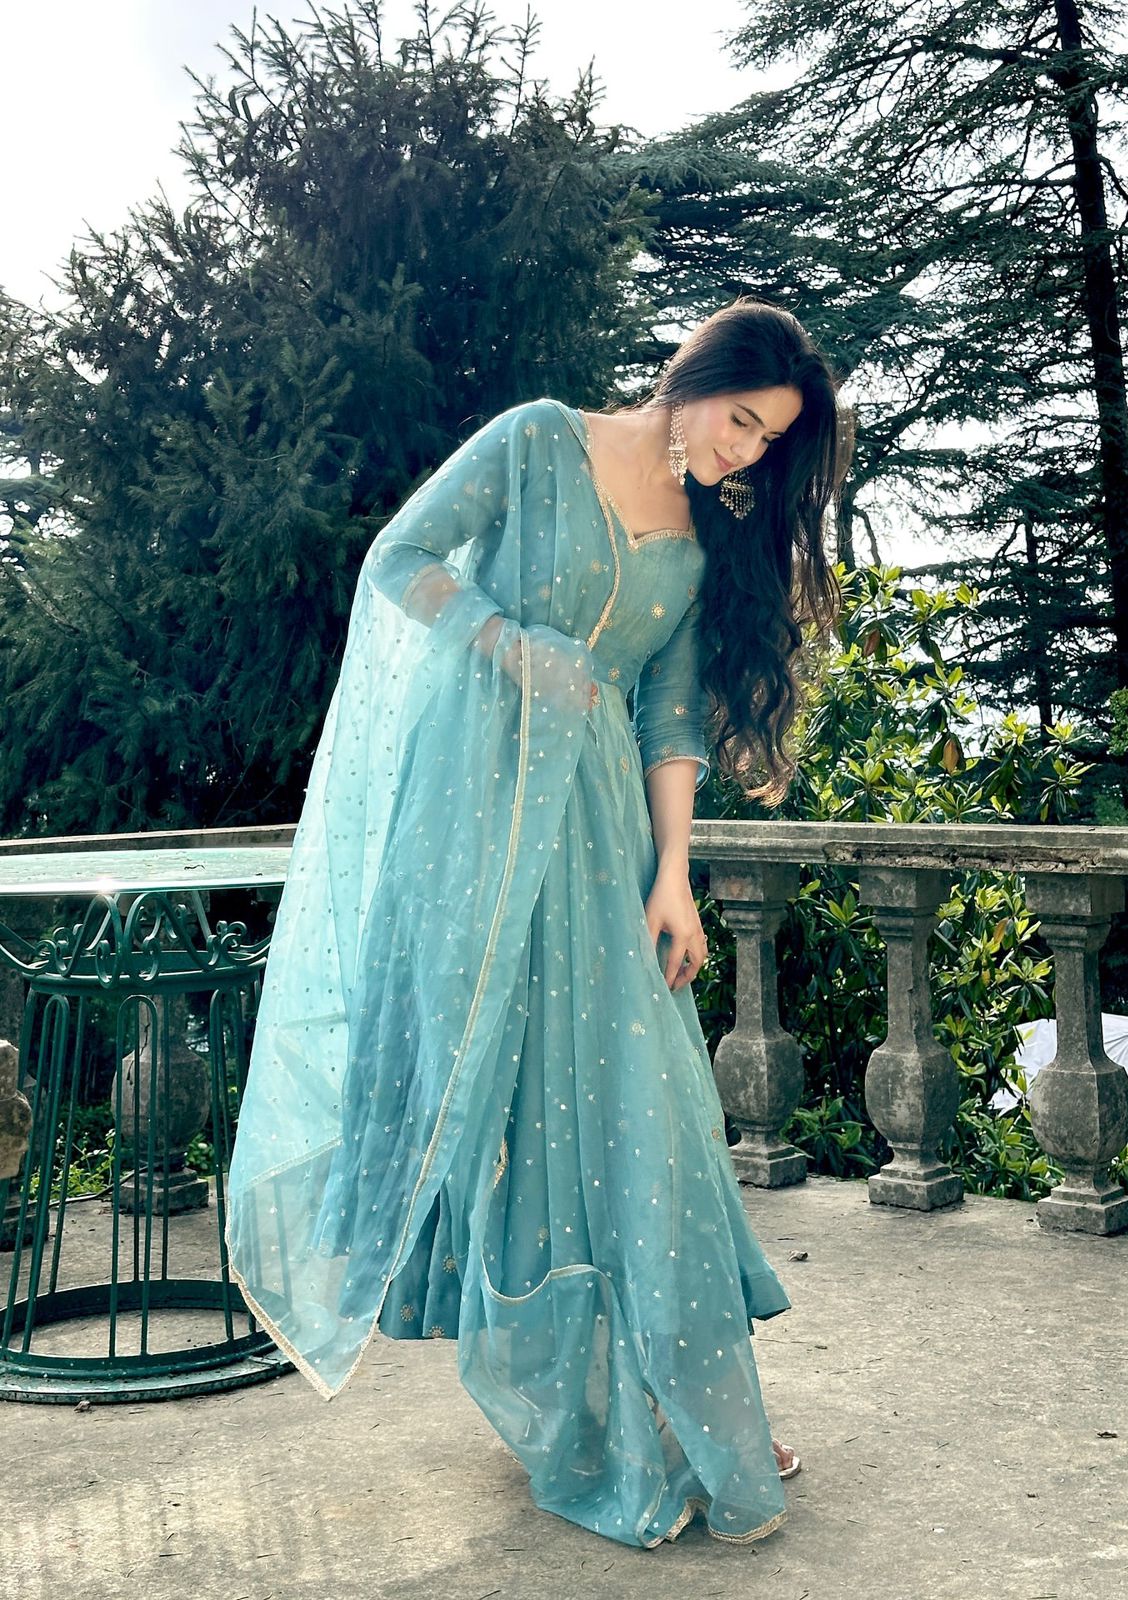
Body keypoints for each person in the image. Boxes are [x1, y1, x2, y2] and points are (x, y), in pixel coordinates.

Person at [226, 297, 852, 1548]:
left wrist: (675, 874)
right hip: (464, 823)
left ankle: (697, 1408)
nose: (743, 453)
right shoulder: (535, 441)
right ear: (693, 378)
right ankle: (585, 1416)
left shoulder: (706, 536)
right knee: (513, 1113)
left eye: (767, 442)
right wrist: (507, 642)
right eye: (740, 421)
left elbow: (670, 717)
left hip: (598, 832)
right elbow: (398, 557)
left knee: (647, 1115)